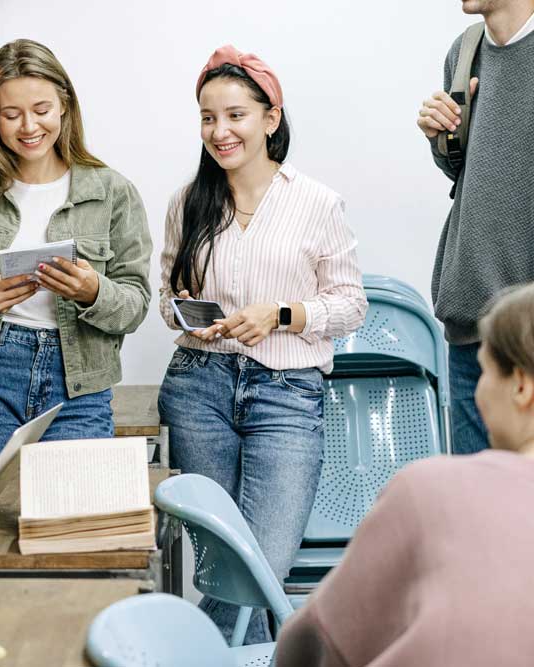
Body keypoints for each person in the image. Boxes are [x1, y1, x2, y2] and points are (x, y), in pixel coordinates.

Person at [157, 45, 366, 644]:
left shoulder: (317, 202)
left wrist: (281, 314)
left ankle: (192, 654)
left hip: (287, 395)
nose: (219, 132)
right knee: (220, 565)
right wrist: (189, 316)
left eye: (235, 115)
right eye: (207, 117)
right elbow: (169, 294)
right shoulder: (188, 202)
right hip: (199, 389)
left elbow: (351, 304)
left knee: (258, 569)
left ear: (271, 118)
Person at [0, 39, 152, 469]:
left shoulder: (112, 192)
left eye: (41, 110)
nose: (28, 127)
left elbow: (135, 305)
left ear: (64, 105)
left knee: (69, 524)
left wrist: (93, 291)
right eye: (11, 114)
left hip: (79, 385)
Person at [275, 282, 534, 666]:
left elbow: (310, 644)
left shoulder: (432, 490)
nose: (478, 392)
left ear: (521, 386)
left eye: (484, 373)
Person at [415, 0, 534, 455]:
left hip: (527, 336)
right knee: (479, 513)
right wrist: (440, 136)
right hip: (469, 331)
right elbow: (469, 171)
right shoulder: (464, 53)